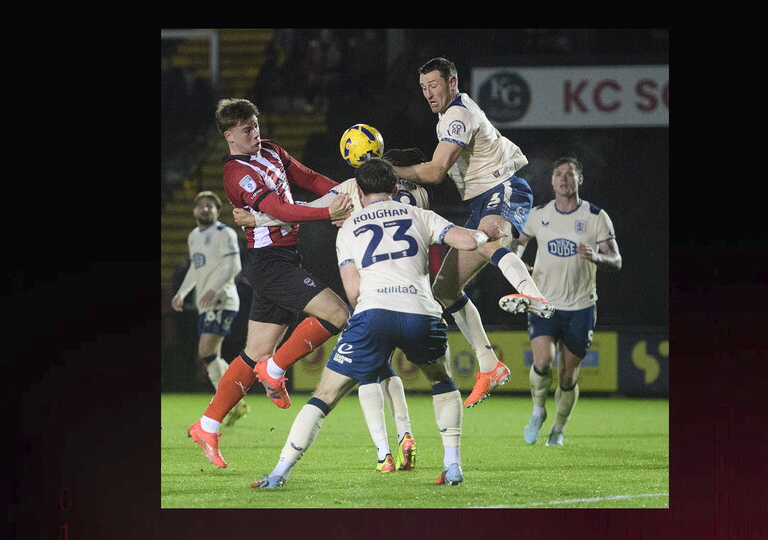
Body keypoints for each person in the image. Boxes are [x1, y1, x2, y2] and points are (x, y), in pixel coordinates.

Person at [251, 157, 502, 489]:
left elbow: (353, 291)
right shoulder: (420, 215)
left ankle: (279, 472)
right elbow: (468, 242)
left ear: (358, 190)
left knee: (325, 394)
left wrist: (372, 324)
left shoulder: (349, 228)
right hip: (422, 312)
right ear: (396, 189)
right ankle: (452, 465)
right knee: (441, 380)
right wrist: (486, 234)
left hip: (374, 312)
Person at [233, 148, 430, 471]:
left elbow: (302, 210)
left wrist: (257, 219)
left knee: (362, 372)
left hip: (373, 295)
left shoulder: (353, 190)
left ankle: (384, 453)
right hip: (415, 296)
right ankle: (407, 433)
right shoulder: (419, 198)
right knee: (411, 374)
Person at [188, 98, 355, 469]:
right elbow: (278, 211)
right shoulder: (236, 174)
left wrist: (346, 194)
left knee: (253, 354)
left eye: (256, 125)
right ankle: (277, 369)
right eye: (247, 129)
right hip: (269, 263)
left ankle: (207, 424)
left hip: (283, 258)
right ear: (230, 135)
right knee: (338, 313)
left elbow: (308, 178)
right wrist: (328, 212)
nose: (255, 133)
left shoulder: (272, 150)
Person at [390, 56, 555, 408]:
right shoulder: (445, 118)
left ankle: (534, 295)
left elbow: (435, 172)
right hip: (481, 201)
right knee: (445, 288)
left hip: (504, 189)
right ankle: (489, 364)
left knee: (488, 237)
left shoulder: (458, 114)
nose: (429, 93)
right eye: (423, 88)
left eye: (434, 85)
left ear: (452, 82)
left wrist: (389, 171)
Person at [515, 156, 622, 446]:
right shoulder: (538, 215)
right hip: (544, 303)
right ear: (552, 181)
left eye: (570, 174)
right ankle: (538, 410)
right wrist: (516, 265)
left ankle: (558, 429)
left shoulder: (596, 216)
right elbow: (518, 246)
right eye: (559, 174)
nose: (564, 178)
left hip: (581, 306)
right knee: (542, 360)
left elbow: (616, 259)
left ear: (579, 180)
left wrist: (596, 257)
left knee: (567, 376)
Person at [171, 191, 249, 426]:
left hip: (221, 298)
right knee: (211, 354)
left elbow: (234, 265)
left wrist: (214, 288)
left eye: (210, 206)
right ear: (194, 211)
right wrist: (182, 292)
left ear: (217, 211)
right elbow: (196, 268)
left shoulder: (224, 233)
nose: (205, 209)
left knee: (206, 351)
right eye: (201, 206)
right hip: (205, 302)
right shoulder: (194, 236)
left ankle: (226, 404)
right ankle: (236, 403)